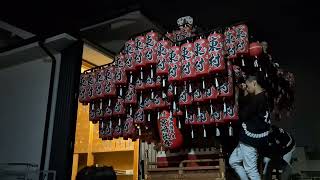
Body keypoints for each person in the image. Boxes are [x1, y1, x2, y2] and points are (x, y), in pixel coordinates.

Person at [229, 75, 271, 180]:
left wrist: (241, 94)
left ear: (254, 83)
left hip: (251, 139)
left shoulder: (257, 99)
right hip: (255, 137)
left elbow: (243, 115)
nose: (247, 88)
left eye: (248, 86)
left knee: (251, 170)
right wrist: (247, 92)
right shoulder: (264, 96)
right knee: (233, 161)